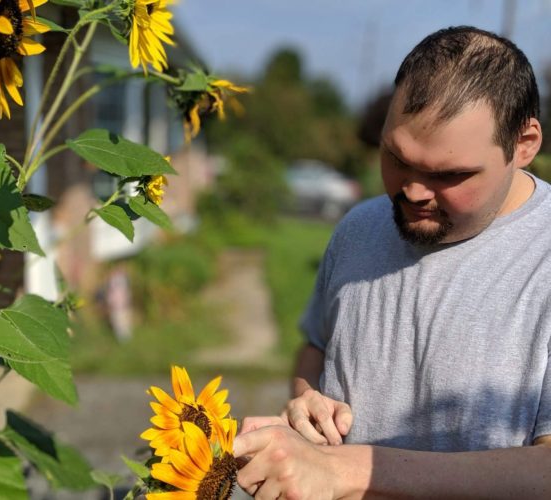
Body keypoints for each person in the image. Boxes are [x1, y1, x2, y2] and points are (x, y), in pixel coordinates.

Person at [234, 26, 551, 499]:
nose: (413, 191)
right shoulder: (358, 228)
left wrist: (346, 470)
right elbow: (316, 346)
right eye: (396, 158)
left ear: (524, 144)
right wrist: (307, 400)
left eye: (449, 174)